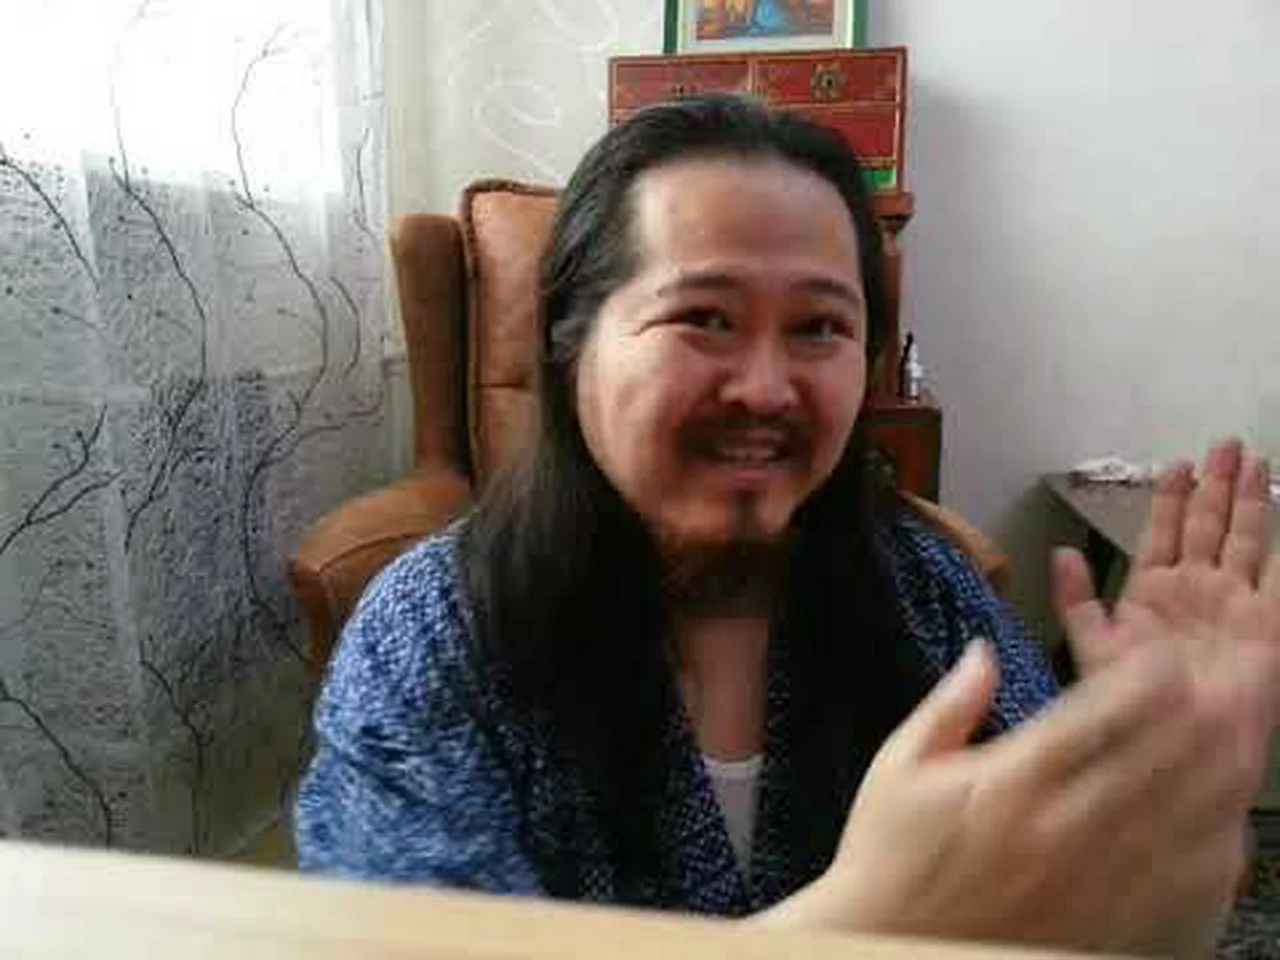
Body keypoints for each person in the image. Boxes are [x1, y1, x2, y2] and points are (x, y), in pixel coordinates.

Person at [295, 95, 1280, 956]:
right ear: (568, 348)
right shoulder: (430, 631)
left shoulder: (924, 593)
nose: (767, 389)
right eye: (705, 318)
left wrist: (1182, 821)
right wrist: (862, 916)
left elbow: (1100, 928)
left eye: (819, 327)